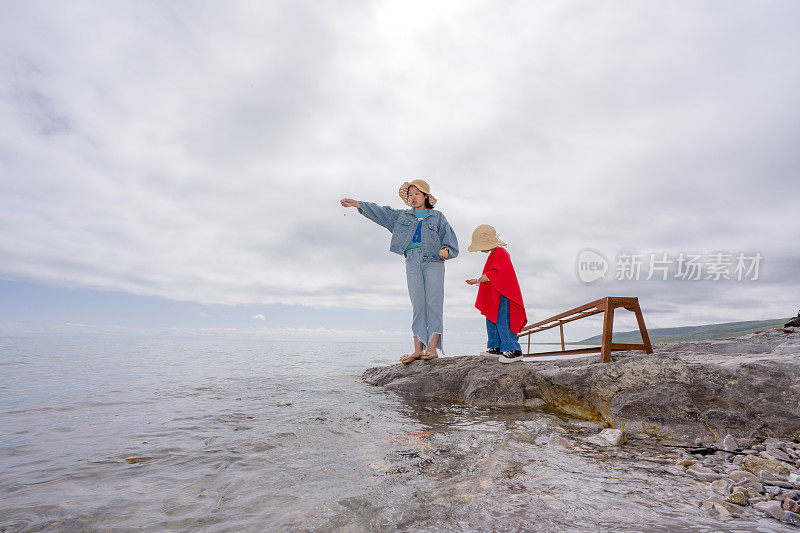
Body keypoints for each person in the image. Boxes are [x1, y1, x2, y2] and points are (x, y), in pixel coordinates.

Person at [340, 179, 459, 363]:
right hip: (412, 260)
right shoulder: (402, 217)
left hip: (434, 261)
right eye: (410, 195)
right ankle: (418, 350)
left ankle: (432, 349)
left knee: (433, 304)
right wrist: (358, 204)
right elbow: (382, 212)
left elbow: (451, 242)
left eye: (417, 194)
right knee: (418, 305)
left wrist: (446, 251)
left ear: (426, 196)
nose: (413, 198)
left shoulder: (438, 217)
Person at [465, 225, 527, 364]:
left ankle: (513, 349)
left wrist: (484, 277)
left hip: (502, 294)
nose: (480, 249)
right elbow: (492, 274)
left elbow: (501, 272)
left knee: (503, 321)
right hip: (495, 294)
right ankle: (495, 346)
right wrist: (477, 280)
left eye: (481, 245)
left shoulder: (500, 252)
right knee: (491, 319)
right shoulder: (494, 254)